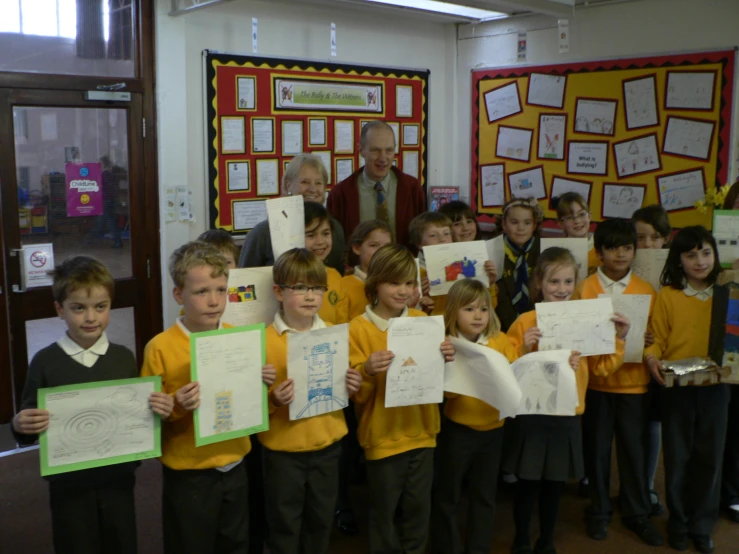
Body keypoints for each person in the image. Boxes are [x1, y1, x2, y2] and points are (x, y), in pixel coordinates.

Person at [11, 255, 174, 554]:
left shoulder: (123, 357)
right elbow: (27, 423)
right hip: (68, 484)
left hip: (118, 478)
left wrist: (157, 410)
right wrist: (20, 425)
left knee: (121, 539)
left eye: (101, 307)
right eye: (78, 308)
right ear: (60, 309)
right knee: (75, 542)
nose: (91, 318)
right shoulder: (45, 362)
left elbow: (133, 413)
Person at [140, 241, 276, 554]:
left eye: (220, 289)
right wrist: (176, 406)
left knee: (235, 542)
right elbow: (148, 419)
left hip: (235, 463)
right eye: (201, 292)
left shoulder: (239, 338)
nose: (213, 301)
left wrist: (263, 386)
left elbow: (251, 405)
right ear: (179, 295)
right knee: (190, 544)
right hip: (189, 474)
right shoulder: (160, 348)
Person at [505, 247, 629, 554]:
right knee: (528, 482)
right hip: (532, 414)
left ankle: (546, 541)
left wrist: (620, 339)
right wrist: (525, 348)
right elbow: (506, 370)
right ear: (539, 284)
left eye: (568, 282)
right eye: (554, 282)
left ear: (576, 282)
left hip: (567, 413)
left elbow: (601, 368)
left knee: (554, 484)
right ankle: (521, 539)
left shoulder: (586, 320)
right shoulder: (524, 321)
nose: (561, 289)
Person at [349, 244, 454, 554]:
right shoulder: (359, 328)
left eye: (409, 283)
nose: (403, 290)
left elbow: (443, 389)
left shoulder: (424, 320)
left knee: (418, 511)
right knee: (384, 514)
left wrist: (447, 360)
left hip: (423, 433)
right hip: (382, 436)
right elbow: (357, 396)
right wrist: (366, 369)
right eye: (394, 283)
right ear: (375, 284)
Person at [259, 248, 362, 553]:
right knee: (284, 525)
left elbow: (349, 384)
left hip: (328, 447)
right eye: (300, 288)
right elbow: (252, 405)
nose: (310, 296)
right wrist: (273, 399)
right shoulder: (264, 341)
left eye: (317, 288)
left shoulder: (335, 335)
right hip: (282, 452)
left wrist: (353, 382)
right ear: (279, 292)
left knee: (320, 523)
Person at [573, 219, 662, 546]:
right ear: (599, 253)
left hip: (634, 385)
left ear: (635, 251)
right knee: (595, 452)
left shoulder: (645, 290)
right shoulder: (584, 288)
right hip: (596, 386)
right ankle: (598, 511)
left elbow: (654, 337)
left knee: (633, 452)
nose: (620, 254)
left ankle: (636, 512)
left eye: (627, 247)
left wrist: (650, 343)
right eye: (612, 247)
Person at [645, 227, 728, 553]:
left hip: (717, 386)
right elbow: (658, 338)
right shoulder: (669, 295)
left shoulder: (728, 292)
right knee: (678, 458)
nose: (700, 261)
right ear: (678, 260)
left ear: (715, 255)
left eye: (706, 253)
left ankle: (702, 525)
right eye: (691, 254)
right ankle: (678, 522)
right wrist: (651, 358)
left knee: (710, 458)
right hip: (677, 386)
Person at [431, 279, 518, 554]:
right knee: (448, 494)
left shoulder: (502, 341)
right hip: (458, 430)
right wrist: (449, 364)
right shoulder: (446, 345)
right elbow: (447, 395)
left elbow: (515, 381)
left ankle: (478, 548)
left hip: (494, 431)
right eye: (469, 309)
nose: (478, 315)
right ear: (453, 312)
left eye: (483, 308)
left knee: (484, 496)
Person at [238, 154, 345, 274]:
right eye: (305, 182)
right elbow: (244, 280)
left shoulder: (334, 228)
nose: (313, 189)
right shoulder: (263, 233)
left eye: (319, 183)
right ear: (288, 185)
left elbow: (339, 274)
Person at [327, 120, 425, 248]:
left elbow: (422, 237)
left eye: (389, 150)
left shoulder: (412, 189)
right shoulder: (340, 194)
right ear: (361, 150)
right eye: (375, 150)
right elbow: (335, 244)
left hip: (403, 266)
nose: (383, 158)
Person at [631, 204, 672, 517]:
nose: (647, 245)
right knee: (629, 428)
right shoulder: (622, 267)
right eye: (640, 238)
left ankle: (647, 486)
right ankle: (631, 487)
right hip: (628, 361)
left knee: (654, 426)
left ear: (665, 240)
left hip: (660, 358)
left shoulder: (674, 273)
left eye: (654, 238)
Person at [412, 211, 497, 317]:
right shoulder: (414, 271)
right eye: (433, 235)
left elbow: (489, 307)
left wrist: (489, 283)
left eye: (446, 234)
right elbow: (408, 314)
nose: (442, 239)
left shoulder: (464, 266)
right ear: (419, 243)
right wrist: (422, 299)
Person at [496, 197, 543, 332]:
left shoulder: (545, 250)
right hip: (500, 326)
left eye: (527, 223)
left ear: (534, 225)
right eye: (514, 222)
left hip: (537, 325)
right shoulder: (492, 250)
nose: (521, 228)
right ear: (504, 224)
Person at [303, 202, 349, 325]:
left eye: (326, 234)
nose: (320, 242)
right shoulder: (285, 277)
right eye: (311, 235)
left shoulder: (335, 276)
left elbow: (342, 324)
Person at [343, 219, 394, 322]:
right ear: (357, 248)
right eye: (374, 245)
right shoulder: (344, 286)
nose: (382, 251)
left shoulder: (400, 283)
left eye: (387, 246)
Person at [553, 192, 599, 276]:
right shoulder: (557, 252)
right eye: (569, 217)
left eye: (581, 214)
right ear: (560, 224)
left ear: (589, 216)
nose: (577, 221)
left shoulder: (601, 244)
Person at [90, 156, 125, 249]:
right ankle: (117, 242)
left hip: (106, 200)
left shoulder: (104, 175)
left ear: (103, 163)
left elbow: (102, 188)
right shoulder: (111, 174)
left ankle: (89, 241)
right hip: (111, 200)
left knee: (103, 223)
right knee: (110, 222)